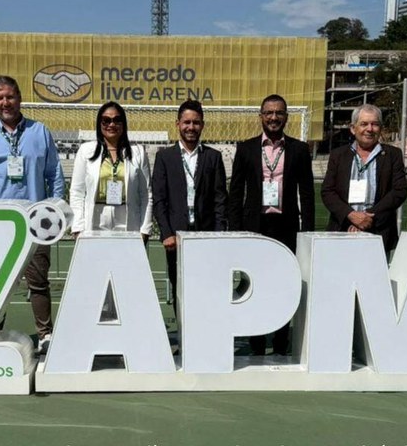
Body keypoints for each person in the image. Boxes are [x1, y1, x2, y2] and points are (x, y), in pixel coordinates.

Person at [0, 75, 65, 352]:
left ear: (20, 98)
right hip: (0, 223)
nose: (5, 102)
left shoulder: (40, 132)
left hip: (35, 221)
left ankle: (45, 334)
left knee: (38, 281)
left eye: (10, 96)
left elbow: (54, 175)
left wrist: (54, 209)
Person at [228, 94, 315, 356]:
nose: (274, 117)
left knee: (284, 284)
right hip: (255, 226)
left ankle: (280, 342)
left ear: (286, 117)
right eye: (269, 113)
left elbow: (307, 193)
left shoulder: (299, 150)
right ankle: (256, 342)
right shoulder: (246, 148)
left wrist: (307, 231)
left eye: (279, 113)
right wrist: (236, 231)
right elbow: (236, 193)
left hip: (286, 226)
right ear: (261, 116)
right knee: (254, 284)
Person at [152, 100, 227, 313]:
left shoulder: (213, 157)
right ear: (178, 124)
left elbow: (220, 199)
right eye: (186, 122)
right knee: (179, 287)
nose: (191, 127)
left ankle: (206, 329)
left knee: (207, 285)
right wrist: (166, 233)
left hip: (206, 235)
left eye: (196, 122)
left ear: (202, 125)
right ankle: (183, 331)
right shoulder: (164, 157)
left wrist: (219, 234)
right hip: (176, 237)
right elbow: (159, 199)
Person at [321, 104, 407, 255]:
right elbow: (327, 191)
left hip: (379, 231)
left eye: (375, 124)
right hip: (343, 230)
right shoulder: (338, 155)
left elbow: (399, 191)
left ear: (380, 128)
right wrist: (351, 215)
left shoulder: (393, 155)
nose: (370, 129)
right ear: (353, 128)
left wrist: (368, 217)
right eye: (364, 124)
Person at [69, 101, 152, 240]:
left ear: (123, 124)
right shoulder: (86, 150)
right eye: (106, 120)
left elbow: (146, 194)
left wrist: (145, 229)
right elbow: (77, 192)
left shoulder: (138, 153)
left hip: (127, 219)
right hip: (96, 218)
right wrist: (78, 228)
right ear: (99, 124)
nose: (112, 125)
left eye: (117, 120)